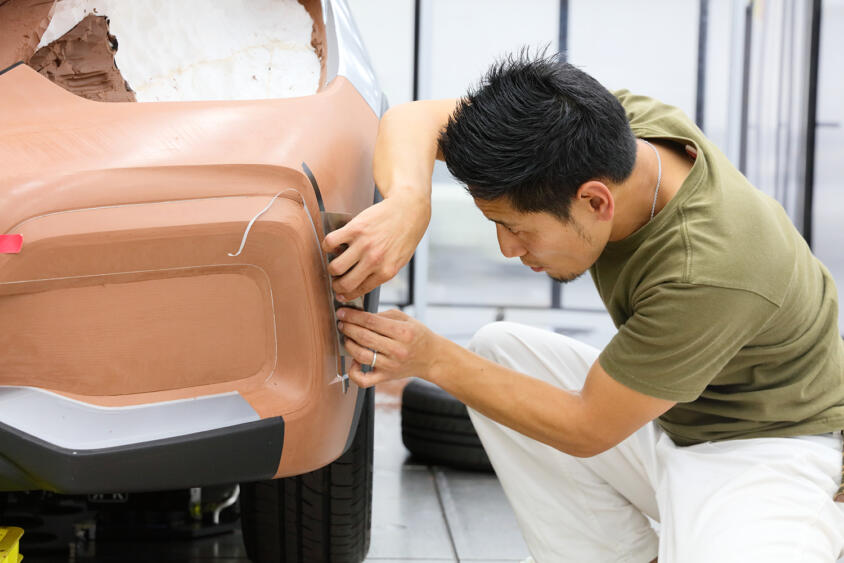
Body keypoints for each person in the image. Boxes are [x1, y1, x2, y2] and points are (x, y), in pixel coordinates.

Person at [322, 52, 844, 562]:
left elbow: (588, 426)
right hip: (671, 417)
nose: (508, 249)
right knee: (498, 353)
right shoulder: (616, 132)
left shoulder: (706, 269)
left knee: (473, 369)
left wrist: (430, 358)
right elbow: (416, 119)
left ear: (596, 202)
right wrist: (411, 200)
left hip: (767, 448)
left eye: (516, 228)